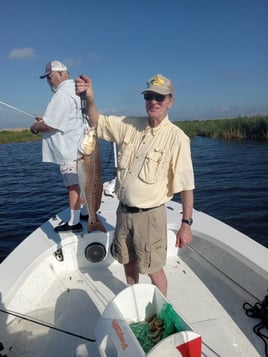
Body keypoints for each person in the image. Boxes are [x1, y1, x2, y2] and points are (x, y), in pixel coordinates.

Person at [75, 73, 195, 296]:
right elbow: (96, 122)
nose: (153, 102)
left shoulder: (177, 138)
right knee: (127, 261)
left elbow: (187, 185)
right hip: (123, 212)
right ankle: (133, 298)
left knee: (153, 269)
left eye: (160, 98)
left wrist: (186, 224)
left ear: (170, 101)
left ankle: (160, 310)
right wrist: (89, 98)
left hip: (150, 217)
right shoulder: (130, 125)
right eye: (149, 96)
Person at [30, 60, 88, 233]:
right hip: (81, 148)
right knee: (80, 183)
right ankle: (84, 212)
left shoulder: (62, 94)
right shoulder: (78, 92)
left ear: (61, 74)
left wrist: (34, 127)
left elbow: (51, 126)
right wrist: (46, 121)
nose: (49, 81)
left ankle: (74, 222)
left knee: (73, 185)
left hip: (69, 149)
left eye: (50, 77)